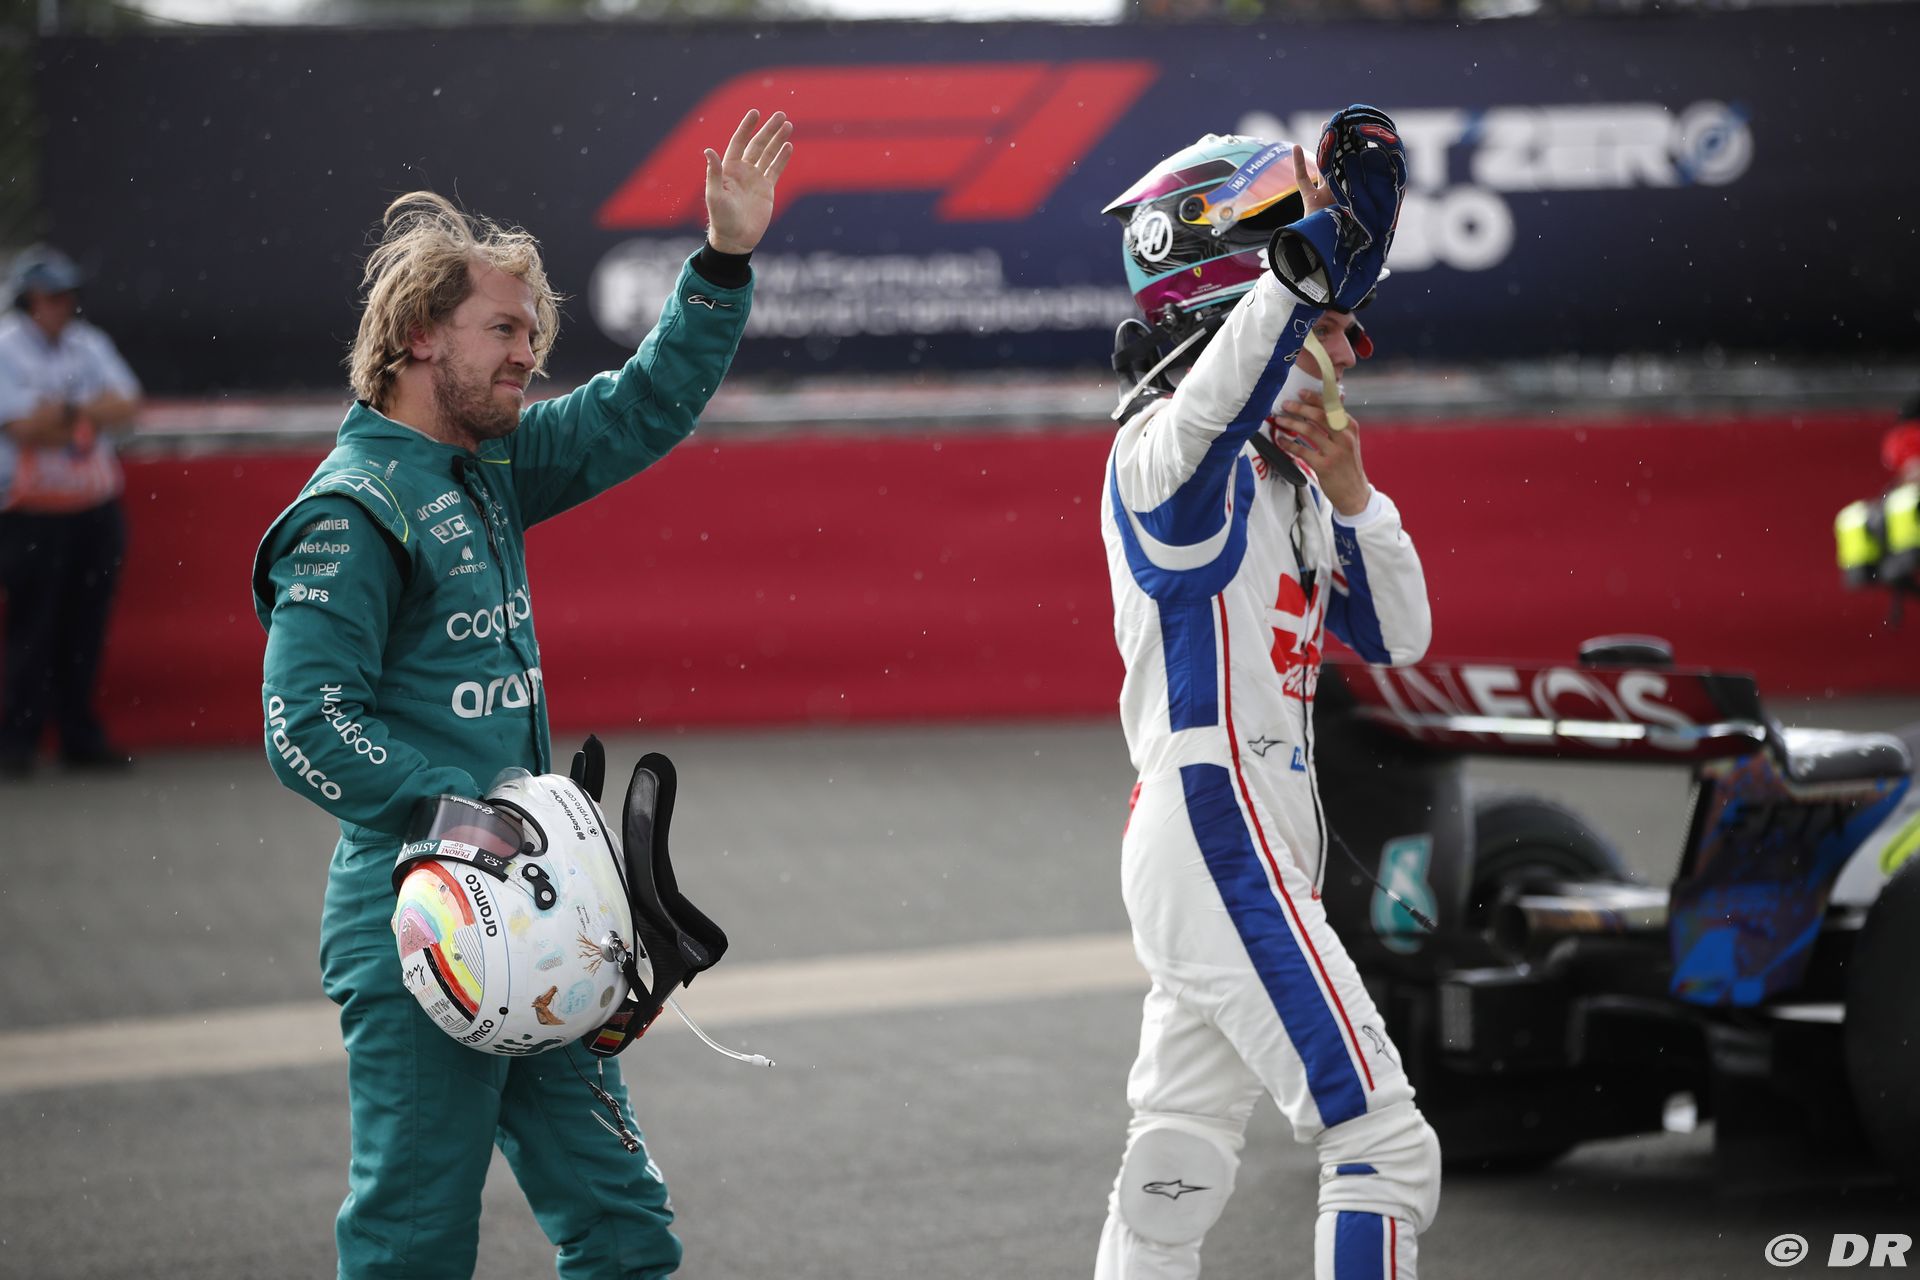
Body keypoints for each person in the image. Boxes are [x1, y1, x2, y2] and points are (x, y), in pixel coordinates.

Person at [250, 108, 792, 1279]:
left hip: (540, 915)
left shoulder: (488, 462)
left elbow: (642, 405)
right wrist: (457, 814)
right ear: (416, 336)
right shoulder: (352, 509)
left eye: (533, 333)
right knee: (412, 1245)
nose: (526, 355)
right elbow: (305, 723)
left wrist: (722, 262)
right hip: (422, 920)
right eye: (502, 328)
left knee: (625, 1229)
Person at [1094, 110, 1440, 1279]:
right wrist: (1301, 278)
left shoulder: (1284, 481)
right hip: (1217, 832)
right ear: (1237, 292)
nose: (1347, 350)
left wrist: (1355, 494)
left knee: (1174, 1162)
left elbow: (1400, 634)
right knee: (1385, 1144)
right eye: (1335, 324)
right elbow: (1213, 400)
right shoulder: (1160, 449)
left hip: (1233, 840)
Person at [0, 245, 142, 775]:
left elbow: (127, 404)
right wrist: (87, 414)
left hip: (93, 509)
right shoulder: (5, 347)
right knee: (32, 628)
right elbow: (20, 427)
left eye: (67, 295)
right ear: (27, 300)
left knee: (85, 628)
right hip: (29, 513)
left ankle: (78, 736)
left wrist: (63, 413)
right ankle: (18, 741)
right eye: (51, 296)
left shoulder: (89, 342)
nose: (63, 304)